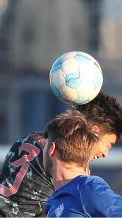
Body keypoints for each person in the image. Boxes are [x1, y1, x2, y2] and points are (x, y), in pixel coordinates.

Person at [11, 0, 87, 135]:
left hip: (66, 79)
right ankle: (34, 156)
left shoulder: (73, 4)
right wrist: (22, 62)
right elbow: (20, 35)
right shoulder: (28, 4)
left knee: (66, 131)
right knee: (35, 129)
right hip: (36, 74)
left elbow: (80, 37)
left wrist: (78, 68)